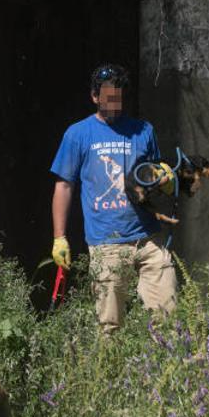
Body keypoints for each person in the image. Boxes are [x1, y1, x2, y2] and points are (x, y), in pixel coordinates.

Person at [49, 64, 177, 335]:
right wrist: (59, 237)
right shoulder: (78, 134)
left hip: (148, 239)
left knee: (168, 319)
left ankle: (163, 374)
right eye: (107, 95)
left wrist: (166, 180)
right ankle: (110, 375)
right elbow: (64, 186)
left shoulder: (143, 130)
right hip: (106, 243)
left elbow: (152, 176)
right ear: (95, 96)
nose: (113, 102)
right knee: (110, 328)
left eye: (117, 95)